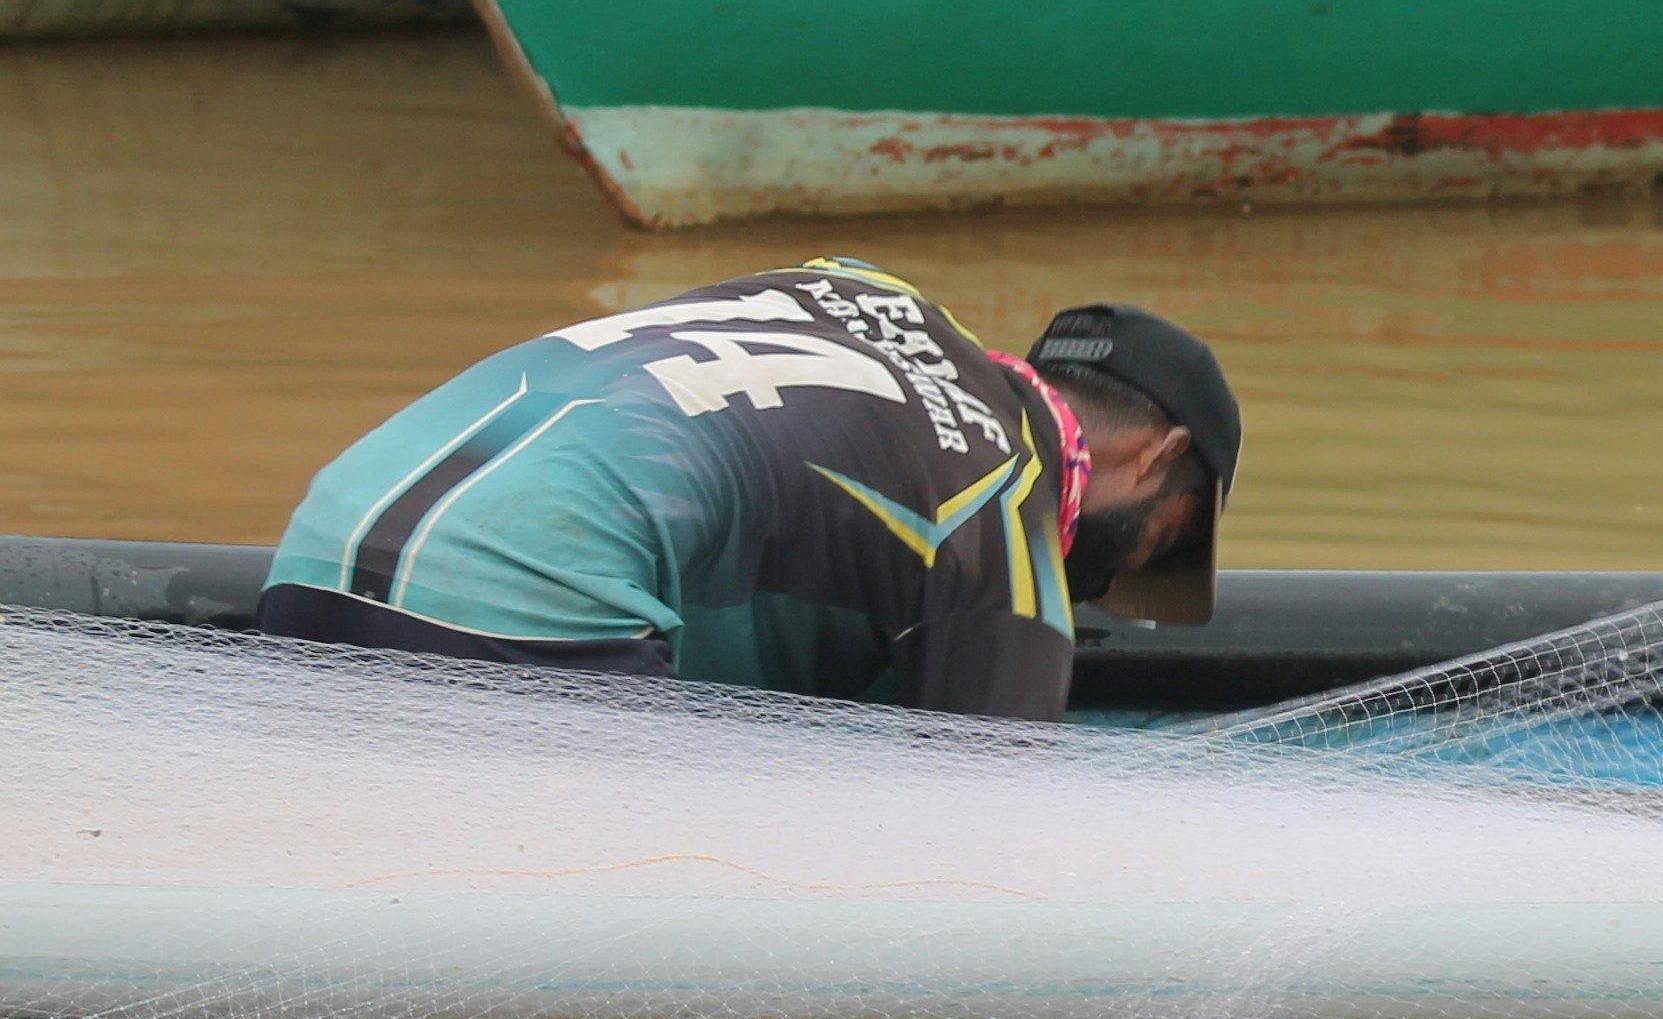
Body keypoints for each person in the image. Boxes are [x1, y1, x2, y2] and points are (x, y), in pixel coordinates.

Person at [252, 263, 1239, 720]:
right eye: (1161, 541)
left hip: (322, 542)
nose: (1124, 573)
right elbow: (984, 845)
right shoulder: (1005, 507)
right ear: (1152, 460)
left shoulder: (861, 291)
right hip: (534, 595)